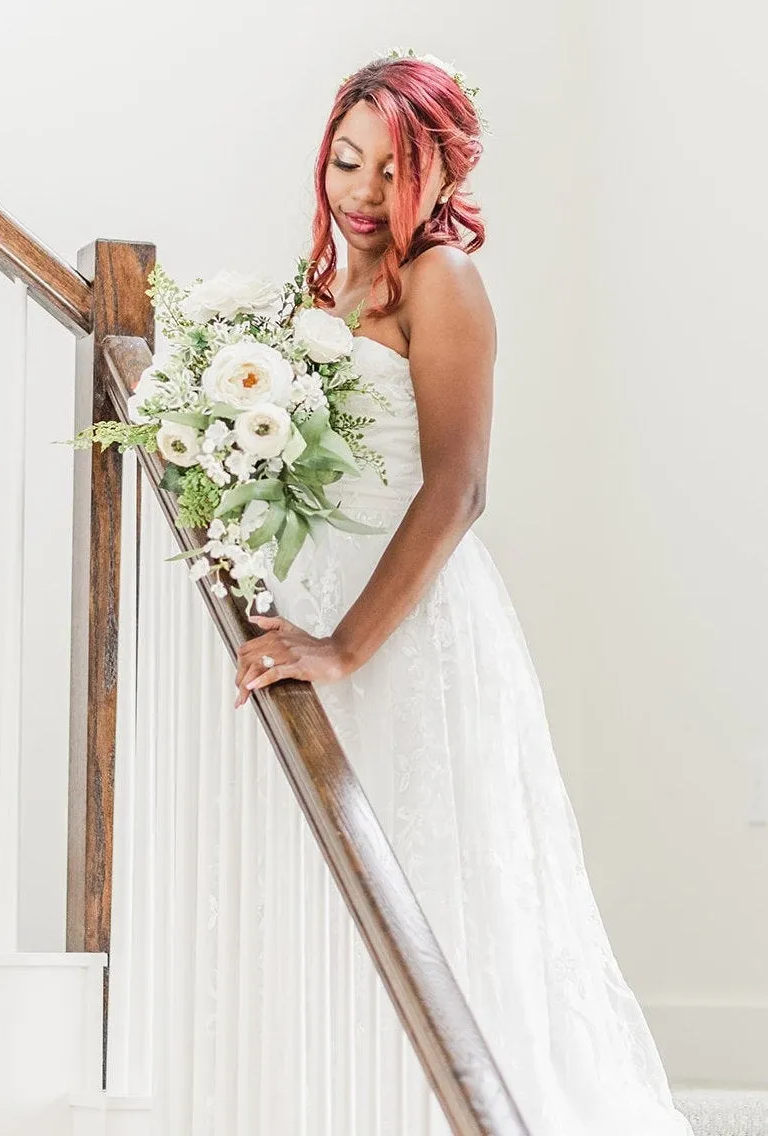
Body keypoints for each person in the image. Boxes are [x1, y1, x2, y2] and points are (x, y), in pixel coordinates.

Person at [231, 52, 695, 1134]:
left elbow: (459, 484)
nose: (356, 191)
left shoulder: (444, 282)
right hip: (312, 594)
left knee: (426, 869)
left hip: (409, 621)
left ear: (439, 176)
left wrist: (346, 644)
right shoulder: (320, 287)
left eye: (388, 171)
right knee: (321, 869)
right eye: (345, 160)